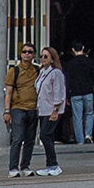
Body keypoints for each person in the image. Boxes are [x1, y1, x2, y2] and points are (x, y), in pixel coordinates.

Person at [3, 42, 41, 177]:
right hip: (18, 108)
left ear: (34, 55)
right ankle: (13, 168)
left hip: (33, 108)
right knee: (17, 138)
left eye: (30, 52)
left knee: (30, 139)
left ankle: (25, 166)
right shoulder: (14, 71)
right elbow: (8, 92)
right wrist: (7, 111)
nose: (27, 54)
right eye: (24, 52)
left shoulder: (37, 70)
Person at [34, 47, 67, 176]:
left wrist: (56, 110)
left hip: (52, 109)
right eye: (41, 56)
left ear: (52, 59)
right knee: (48, 136)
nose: (42, 59)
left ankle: (53, 164)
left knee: (44, 135)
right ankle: (49, 164)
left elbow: (59, 92)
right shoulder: (42, 72)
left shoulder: (56, 73)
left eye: (46, 56)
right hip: (43, 109)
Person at [65, 43, 94, 147]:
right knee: (89, 113)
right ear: (83, 48)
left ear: (73, 49)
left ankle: (80, 140)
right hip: (88, 92)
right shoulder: (90, 62)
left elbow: (68, 81)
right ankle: (88, 135)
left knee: (77, 117)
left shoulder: (70, 63)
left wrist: (67, 95)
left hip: (75, 93)